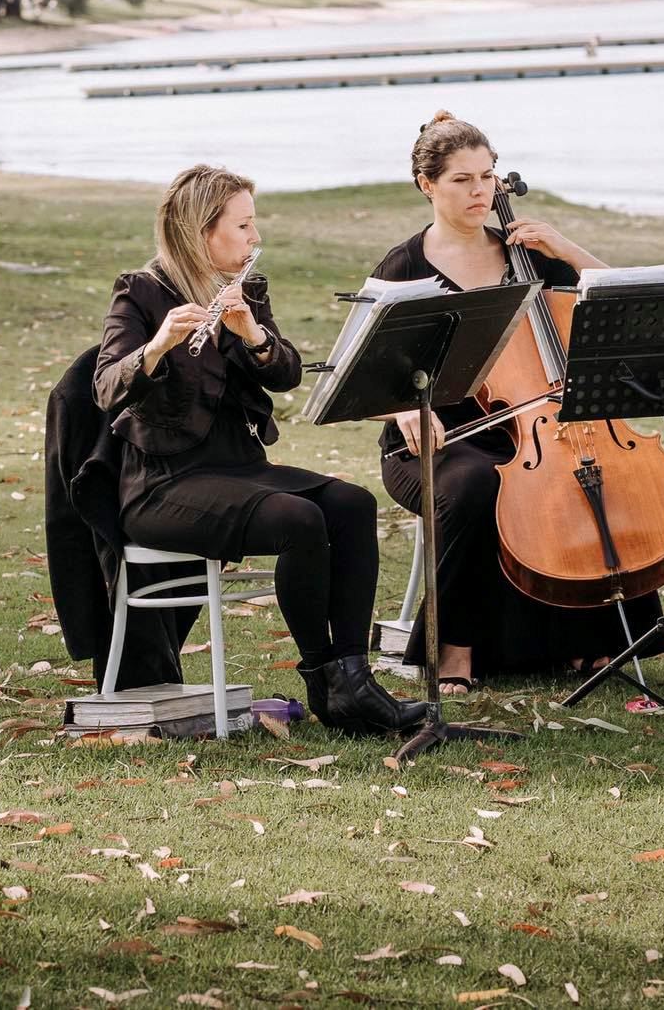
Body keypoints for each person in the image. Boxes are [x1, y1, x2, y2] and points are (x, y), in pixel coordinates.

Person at [94, 164, 422, 736]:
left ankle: (354, 677)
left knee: (351, 504)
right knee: (297, 518)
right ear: (203, 231)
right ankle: (325, 681)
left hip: (238, 468)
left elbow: (287, 374)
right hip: (163, 483)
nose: (254, 238)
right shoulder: (142, 292)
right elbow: (105, 388)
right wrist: (159, 344)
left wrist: (255, 337)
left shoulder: (245, 290)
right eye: (243, 226)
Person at [371, 112, 664, 694]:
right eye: (462, 180)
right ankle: (454, 648)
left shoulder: (526, 253)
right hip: (434, 441)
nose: (480, 191)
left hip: (531, 431)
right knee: (479, 484)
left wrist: (566, 246)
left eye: (487, 176)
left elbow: (633, 301)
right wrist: (404, 407)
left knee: (584, 474)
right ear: (428, 185)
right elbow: (358, 380)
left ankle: (594, 638)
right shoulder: (403, 269)